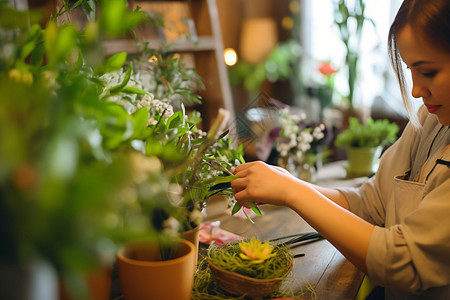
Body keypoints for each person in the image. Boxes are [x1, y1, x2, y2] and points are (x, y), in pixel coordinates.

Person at [230, 0, 450, 299]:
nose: (415, 90)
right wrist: (289, 184)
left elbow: (399, 261)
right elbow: (372, 203)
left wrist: (293, 192)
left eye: (429, 71)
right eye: (411, 69)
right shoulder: (430, 121)